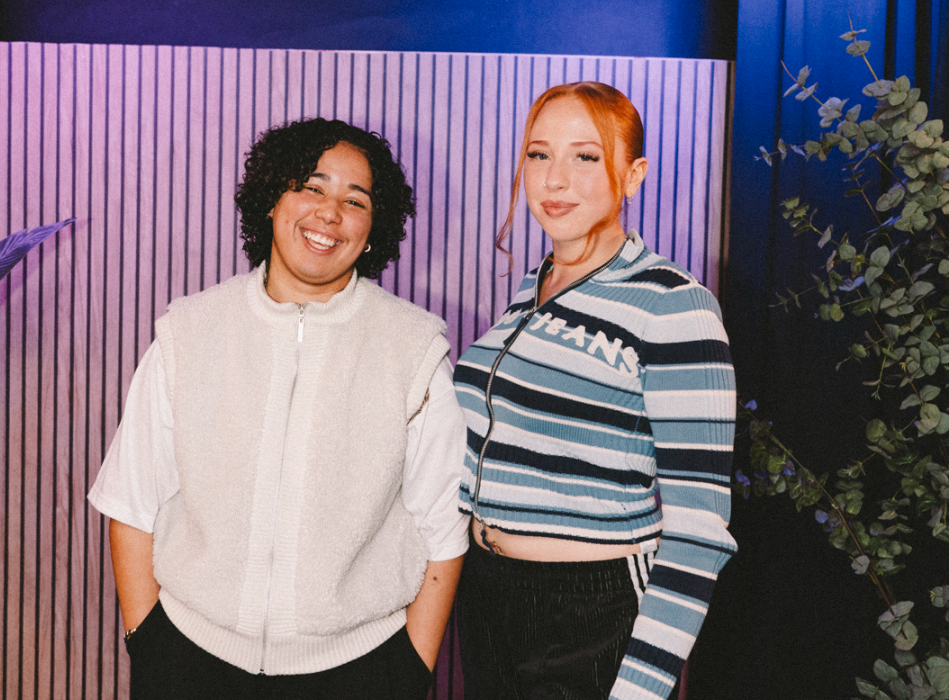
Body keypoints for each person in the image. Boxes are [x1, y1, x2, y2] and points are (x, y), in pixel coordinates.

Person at [88, 117, 469, 700]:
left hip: (361, 670)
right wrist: (149, 641)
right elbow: (131, 501)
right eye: (311, 187)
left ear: (373, 230)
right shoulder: (189, 331)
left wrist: (410, 671)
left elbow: (443, 528)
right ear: (272, 201)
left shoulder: (413, 349)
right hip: (190, 659)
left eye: (354, 200)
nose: (328, 213)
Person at [453, 81, 737, 700]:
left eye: (585, 156)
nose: (554, 181)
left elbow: (700, 530)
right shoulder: (534, 288)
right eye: (538, 154)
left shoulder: (674, 305)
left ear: (633, 175)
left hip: (588, 610)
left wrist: (639, 690)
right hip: (486, 595)